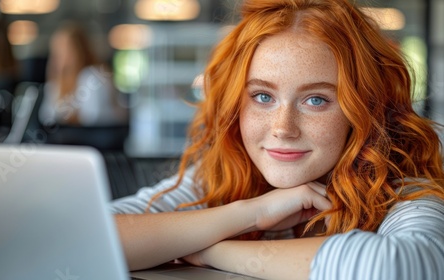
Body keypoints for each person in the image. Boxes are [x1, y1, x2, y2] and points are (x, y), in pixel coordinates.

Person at [109, 0, 444, 279]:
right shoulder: (224, 177)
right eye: (262, 97)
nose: (283, 128)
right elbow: (88, 234)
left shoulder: (403, 191)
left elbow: (400, 267)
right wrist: (252, 212)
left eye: (316, 100)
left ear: (365, 110)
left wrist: (212, 249)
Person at [39, 21, 128, 127]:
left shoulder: (92, 76)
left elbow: (92, 118)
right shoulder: (57, 83)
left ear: (79, 51)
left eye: (65, 51)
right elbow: (47, 117)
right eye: (56, 52)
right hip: (78, 139)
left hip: (100, 139)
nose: (58, 58)